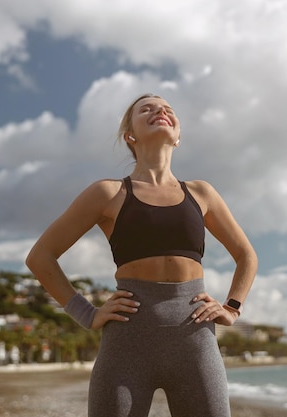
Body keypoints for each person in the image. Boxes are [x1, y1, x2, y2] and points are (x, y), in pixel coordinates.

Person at [26, 93, 258, 417]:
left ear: (178, 137)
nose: (160, 111)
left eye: (167, 109)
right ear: (130, 136)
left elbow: (246, 255)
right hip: (127, 340)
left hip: (195, 339)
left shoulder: (202, 193)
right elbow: (41, 257)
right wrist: (86, 313)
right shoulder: (108, 192)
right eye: (146, 109)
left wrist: (232, 307)